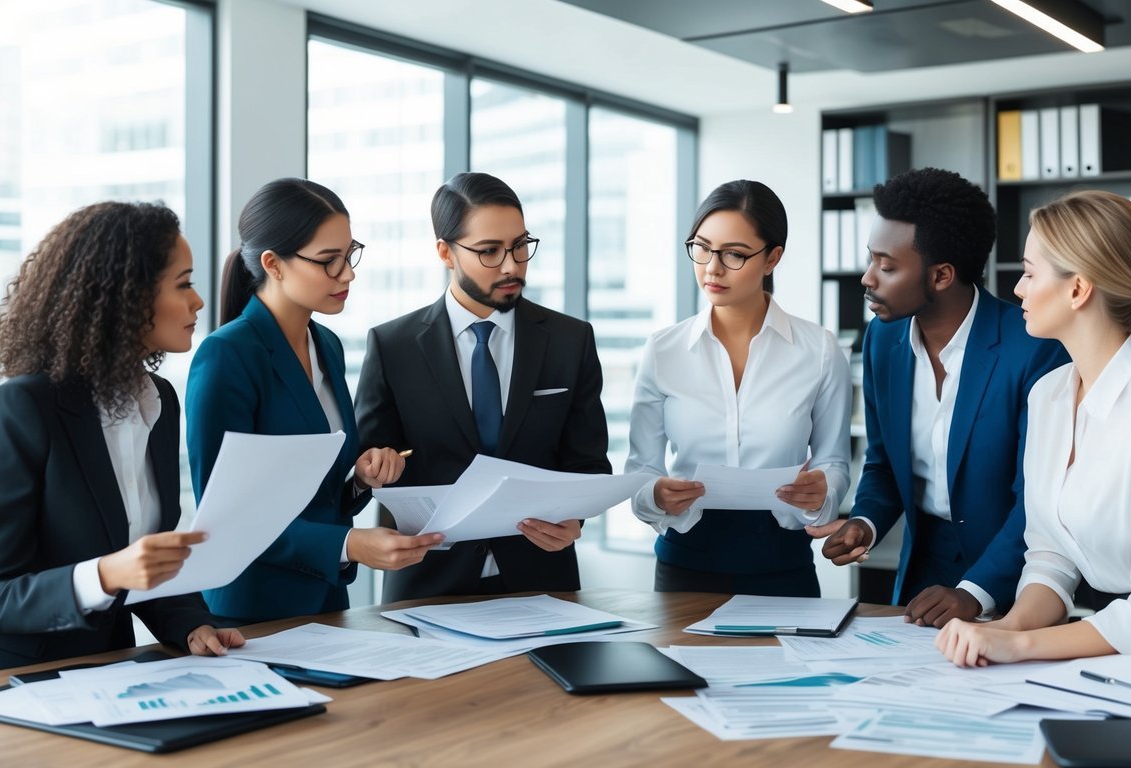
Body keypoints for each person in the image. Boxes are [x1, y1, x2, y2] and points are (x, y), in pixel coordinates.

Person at [0, 202, 243, 684]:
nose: (198, 302)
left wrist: (192, 625)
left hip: (99, 675)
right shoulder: (22, 410)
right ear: (126, 297)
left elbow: (145, 559)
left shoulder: (159, 402)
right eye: (183, 283)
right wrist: (107, 574)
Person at [937, 190, 1131, 666]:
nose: (1016, 288)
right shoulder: (1049, 394)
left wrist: (1019, 645)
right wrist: (1004, 629)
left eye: (1030, 273)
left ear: (1078, 289)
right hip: (1111, 636)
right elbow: (1052, 556)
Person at [810, 167, 1068, 626]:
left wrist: (975, 591)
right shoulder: (881, 341)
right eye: (871, 260)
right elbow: (884, 462)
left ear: (942, 275)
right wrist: (864, 522)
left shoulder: (1035, 348)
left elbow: (1039, 499)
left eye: (886, 266)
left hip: (1012, 581)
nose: (867, 278)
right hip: (920, 573)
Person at [186, 178, 440, 623]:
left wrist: (361, 479)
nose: (348, 274)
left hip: (325, 604)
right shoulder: (229, 354)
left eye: (349, 255)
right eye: (328, 261)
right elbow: (224, 519)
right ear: (274, 264)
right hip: (251, 613)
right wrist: (348, 544)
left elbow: (319, 496)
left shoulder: (328, 345)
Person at [356, 172, 611, 602]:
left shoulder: (571, 340)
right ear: (446, 252)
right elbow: (369, 460)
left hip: (543, 581)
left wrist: (576, 520)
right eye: (489, 251)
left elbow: (589, 465)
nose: (512, 265)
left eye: (520, 246)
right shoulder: (392, 346)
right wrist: (369, 468)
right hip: (426, 583)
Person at [624, 180, 851, 597]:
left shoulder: (818, 349)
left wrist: (822, 493)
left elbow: (835, 462)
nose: (712, 267)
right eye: (702, 248)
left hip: (783, 565)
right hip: (684, 566)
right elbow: (641, 470)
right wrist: (655, 495)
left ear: (772, 259)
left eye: (734, 254)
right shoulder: (664, 350)